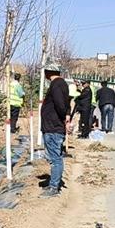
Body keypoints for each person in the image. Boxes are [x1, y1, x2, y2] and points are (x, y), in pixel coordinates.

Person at [40, 65, 69, 198]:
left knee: (55, 159)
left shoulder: (56, 85)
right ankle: (54, 183)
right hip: (54, 126)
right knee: (55, 157)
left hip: (53, 127)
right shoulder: (62, 84)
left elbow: (60, 105)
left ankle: (54, 187)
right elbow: (66, 104)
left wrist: (63, 118)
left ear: (48, 72)